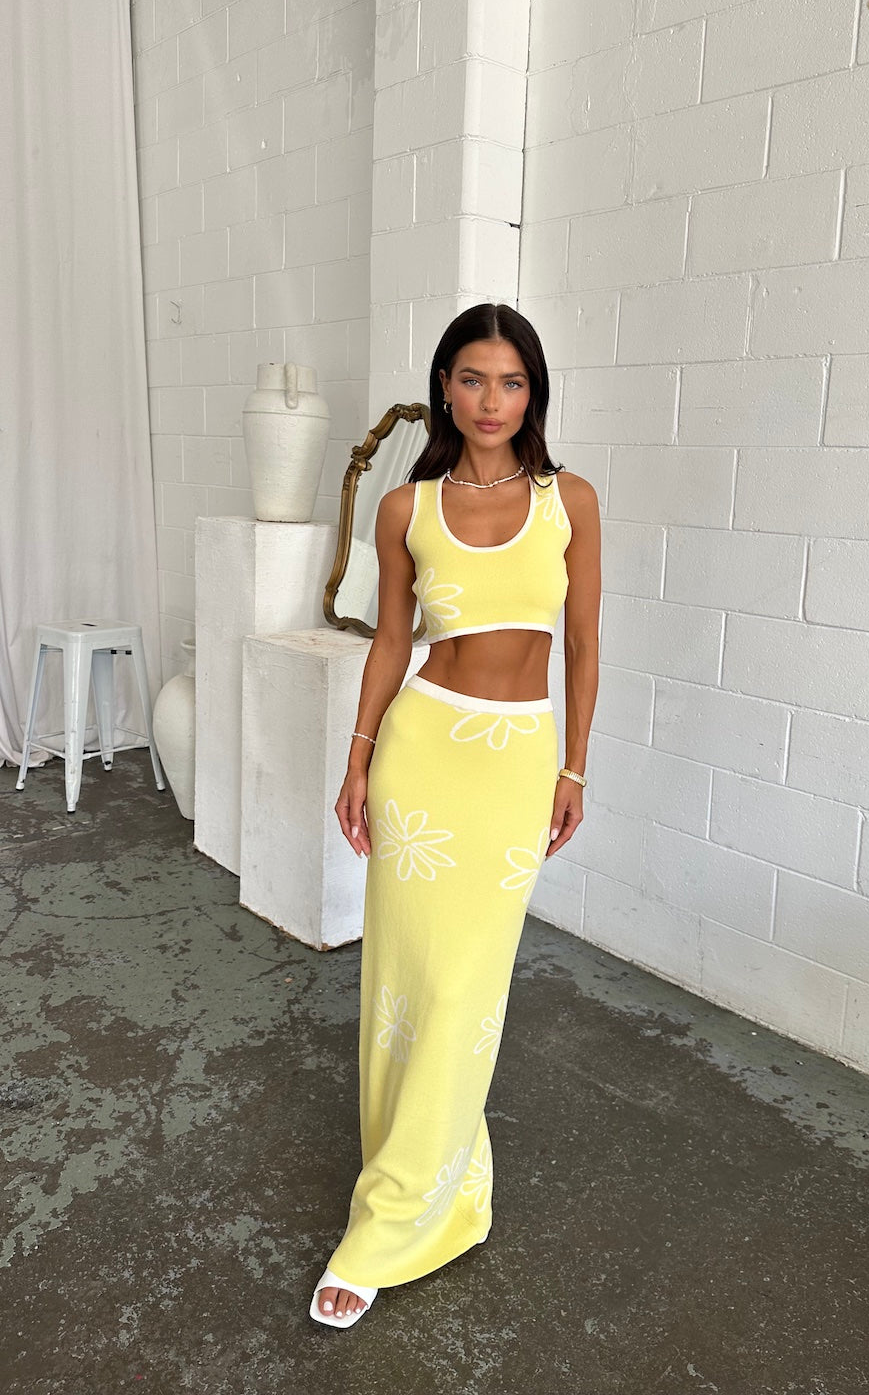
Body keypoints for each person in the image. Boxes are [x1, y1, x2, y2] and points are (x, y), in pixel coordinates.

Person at [309, 301, 601, 1328]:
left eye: (512, 382)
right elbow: (392, 642)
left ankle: (435, 1192)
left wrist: (573, 768)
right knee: (407, 983)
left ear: (533, 392)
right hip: (422, 753)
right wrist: (357, 760)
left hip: (515, 765)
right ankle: (398, 1206)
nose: (491, 400)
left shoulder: (571, 501)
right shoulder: (407, 508)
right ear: (445, 386)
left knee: (468, 991)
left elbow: (583, 645)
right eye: (473, 379)